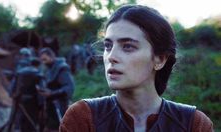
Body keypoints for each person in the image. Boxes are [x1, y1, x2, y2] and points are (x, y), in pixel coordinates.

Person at [60, 5, 213, 132]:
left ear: (159, 59)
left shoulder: (194, 124)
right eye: (108, 46)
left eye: (127, 46)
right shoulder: (83, 118)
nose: (111, 56)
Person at [38, 47, 75, 130]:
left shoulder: (61, 68)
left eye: (45, 59)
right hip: (51, 106)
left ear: (51, 56)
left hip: (60, 105)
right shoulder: (48, 68)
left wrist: (52, 93)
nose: (43, 62)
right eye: (42, 60)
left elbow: (69, 87)